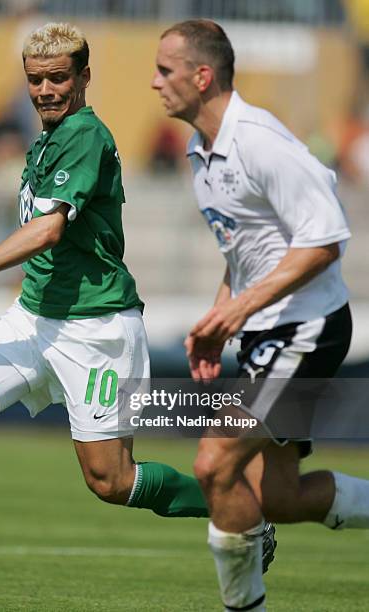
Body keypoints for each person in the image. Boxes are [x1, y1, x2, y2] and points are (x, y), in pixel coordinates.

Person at [0, 22, 250, 612]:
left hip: (96, 328)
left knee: (111, 483)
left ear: (84, 77)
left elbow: (48, 228)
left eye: (58, 78)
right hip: (34, 316)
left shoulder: (85, 136)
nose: (45, 89)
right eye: (35, 79)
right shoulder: (46, 138)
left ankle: (242, 512)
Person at [152, 19, 369, 612]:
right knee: (277, 497)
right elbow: (246, 254)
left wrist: (241, 309)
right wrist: (220, 318)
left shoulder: (259, 140)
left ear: (202, 76)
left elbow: (324, 241)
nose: (154, 83)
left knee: (214, 460)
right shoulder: (203, 154)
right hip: (265, 331)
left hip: (306, 327)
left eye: (164, 70)